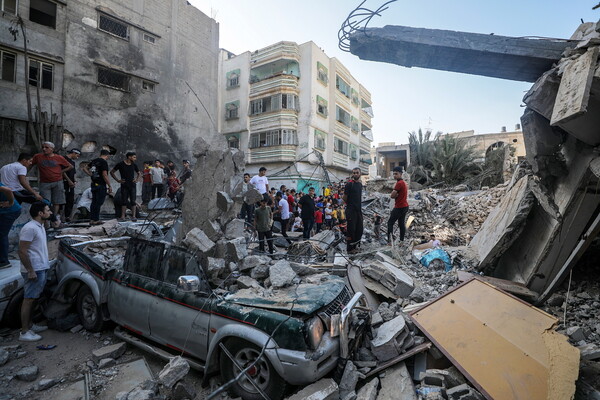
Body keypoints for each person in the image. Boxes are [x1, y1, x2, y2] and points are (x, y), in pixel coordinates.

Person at [18, 201, 52, 342]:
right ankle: (24, 332)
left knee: (34, 298)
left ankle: (30, 325)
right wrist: (30, 270)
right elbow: (22, 251)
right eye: (48, 210)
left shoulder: (40, 226)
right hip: (34, 269)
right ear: (40, 213)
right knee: (29, 299)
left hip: (41, 267)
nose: (50, 212)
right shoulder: (30, 228)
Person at [31, 141, 73, 216]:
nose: (44, 149)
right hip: (44, 182)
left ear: (52, 149)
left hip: (57, 181)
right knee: (45, 201)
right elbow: (30, 165)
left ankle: (54, 217)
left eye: (46, 147)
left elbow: (70, 166)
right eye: (43, 147)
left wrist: (61, 171)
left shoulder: (59, 157)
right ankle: (46, 218)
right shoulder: (37, 156)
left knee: (57, 202)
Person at [83, 149, 112, 225]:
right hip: (101, 184)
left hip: (94, 184)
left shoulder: (94, 161)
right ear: (107, 155)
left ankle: (92, 219)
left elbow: (84, 168)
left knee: (94, 202)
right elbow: (104, 174)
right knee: (99, 202)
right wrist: (109, 185)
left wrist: (91, 175)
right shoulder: (104, 162)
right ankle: (96, 219)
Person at [110, 152, 141, 221]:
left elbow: (139, 173)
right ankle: (123, 216)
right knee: (124, 201)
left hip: (132, 185)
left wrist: (136, 179)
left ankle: (133, 216)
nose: (135, 159)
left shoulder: (134, 165)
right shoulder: (120, 164)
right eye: (134, 157)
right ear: (129, 157)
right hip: (124, 185)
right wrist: (118, 180)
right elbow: (112, 172)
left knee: (133, 201)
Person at [0, 183, 21, 268]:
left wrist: (10, 203)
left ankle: (3, 261)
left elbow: (8, 190)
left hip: (10, 211)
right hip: (4, 211)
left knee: (1, 234)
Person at [343, 168, 364, 253]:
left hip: (358, 210)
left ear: (360, 174)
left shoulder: (360, 185)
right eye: (354, 173)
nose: (355, 174)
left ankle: (355, 246)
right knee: (351, 230)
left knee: (359, 229)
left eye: (357, 173)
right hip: (351, 211)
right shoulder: (349, 184)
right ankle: (350, 249)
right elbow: (344, 198)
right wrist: (350, 204)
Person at [387, 166, 409, 244]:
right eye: (393, 174)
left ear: (401, 174)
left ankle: (390, 241)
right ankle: (401, 240)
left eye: (396, 174)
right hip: (405, 206)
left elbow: (392, 195)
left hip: (399, 206)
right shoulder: (403, 183)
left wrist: (395, 195)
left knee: (390, 223)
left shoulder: (399, 183)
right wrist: (396, 194)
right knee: (401, 223)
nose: (394, 175)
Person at [62, 148, 81, 221]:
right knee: (62, 200)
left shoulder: (73, 162)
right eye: (77, 155)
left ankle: (67, 216)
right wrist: (69, 181)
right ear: (74, 153)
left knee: (70, 200)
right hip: (64, 182)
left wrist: (74, 180)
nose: (77, 157)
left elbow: (74, 172)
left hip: (71, 184)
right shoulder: (63, 159)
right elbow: (62, 172)